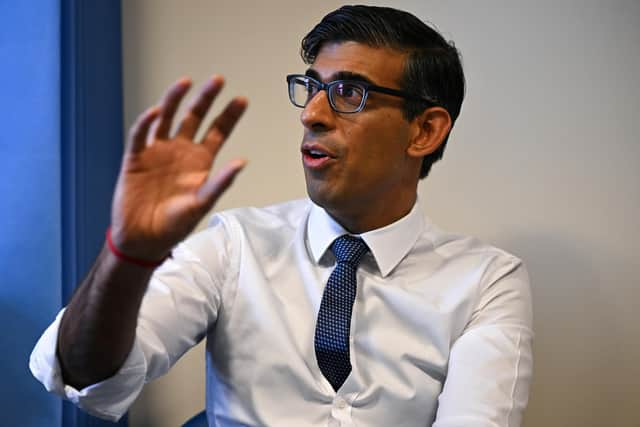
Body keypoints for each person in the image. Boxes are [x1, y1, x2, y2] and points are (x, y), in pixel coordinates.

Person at [30, 5, 533, 427]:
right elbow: (83, 375)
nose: (311, 113)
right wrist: (128, 255)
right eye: (311, 87)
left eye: (348, 93)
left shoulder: (487, 281)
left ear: (424, 130)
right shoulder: (235, 244)